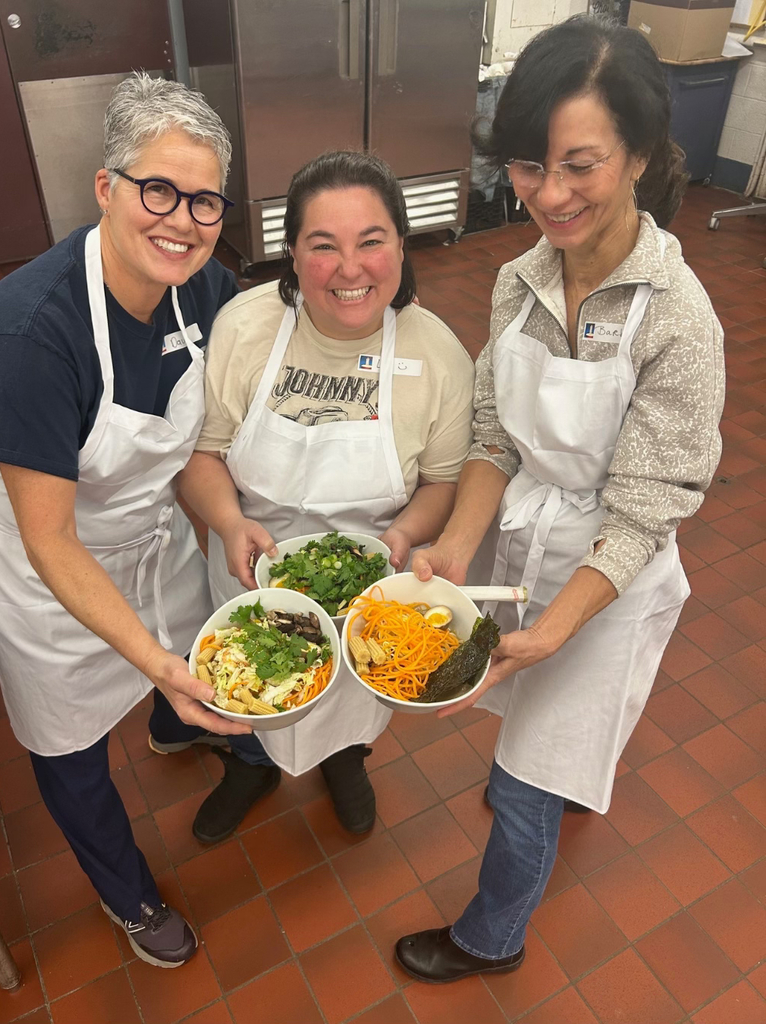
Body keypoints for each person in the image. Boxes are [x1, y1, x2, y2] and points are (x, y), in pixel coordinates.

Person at [394, 16, 724, 982]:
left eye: (580, 165)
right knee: (535, 734)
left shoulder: (676, 319)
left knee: (523, 783)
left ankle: (491, 937)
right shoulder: (519, 280)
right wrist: (455, 548)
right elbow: (495, 435)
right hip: (524, 543)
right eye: (530, 165)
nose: (548, 194)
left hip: (608, 575)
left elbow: (644, 508)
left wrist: (551, 631)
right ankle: (557, 781)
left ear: (640, 156)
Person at [0, 72, 249, 969]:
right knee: (71, 742)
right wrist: (153, 661)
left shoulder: (205, 292)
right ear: (105, 187)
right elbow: (50, 538)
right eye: (157, 189)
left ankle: (173, 722)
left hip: (147, 537)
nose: (181, 220)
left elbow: (186, 449)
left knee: (184, 650)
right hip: (42, 571)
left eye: (204, 200)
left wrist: (228, 522)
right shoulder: (26, 337)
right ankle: (128, 894)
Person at [178, 151, 475, 842]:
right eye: (323, 246)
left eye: (371, 241)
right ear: (290, 253)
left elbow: (442, 482)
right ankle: (250, 765)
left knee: (354, 692)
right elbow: (203, 453)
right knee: (248, 681)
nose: (349, 269)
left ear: (401, 244)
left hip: (369, 583)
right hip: (251, 567)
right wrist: (227, 522)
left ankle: (346, 760)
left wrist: (403, 536)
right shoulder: (246, 326)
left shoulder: (438, 355)